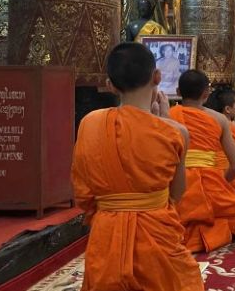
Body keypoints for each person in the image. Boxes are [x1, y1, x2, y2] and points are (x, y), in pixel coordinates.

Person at [71, 43, 204, 291]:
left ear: (110, 85)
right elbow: (176, 193)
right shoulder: (175, 132)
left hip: (106, 232)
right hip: (157, 235)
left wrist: (111, 213)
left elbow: (83, 191)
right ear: (157, 77)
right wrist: (162, 121)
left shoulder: (89, 123)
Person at [170, 70, 235, 253]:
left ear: (178, 91)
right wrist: (220, 184)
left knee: (173, 218)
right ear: (206, 93)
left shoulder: (168, 117)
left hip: (176, 184)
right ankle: (212, 228)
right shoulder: (219, 119)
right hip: (213, 181)